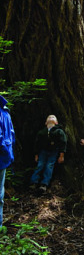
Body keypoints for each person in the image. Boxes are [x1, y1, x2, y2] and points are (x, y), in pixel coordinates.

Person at [30, 115, 67, 192]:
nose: (51, 118)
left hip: (54, 151)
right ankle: (34, 182)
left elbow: (63, 143)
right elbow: (37, 144)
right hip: (43, 152)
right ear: (46, 122)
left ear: (56, 122)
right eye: (49, 117)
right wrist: (36, 155)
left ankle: (44, 184)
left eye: (53, 117)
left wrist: (61, 155)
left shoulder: (59, 131)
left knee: (49, 166)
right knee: (40, 165)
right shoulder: (41, 132)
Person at [0, 95, 15, 227]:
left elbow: (10, 134)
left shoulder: (5, 112)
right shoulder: (5, 112)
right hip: (5, 156)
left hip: (3, 156)